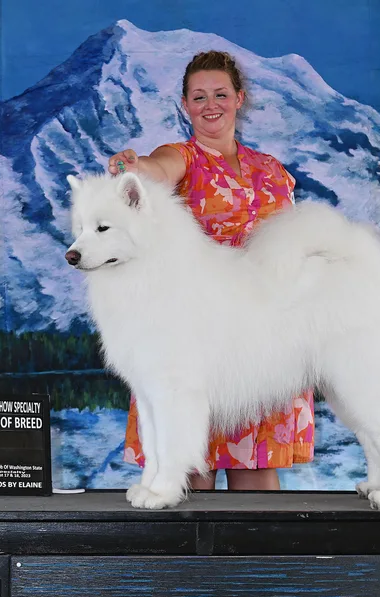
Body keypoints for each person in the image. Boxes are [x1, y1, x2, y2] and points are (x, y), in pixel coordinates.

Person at [109, 50, 315, 493]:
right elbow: (156, 171)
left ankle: (264, 565)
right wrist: (135, 167)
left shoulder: (272, 170)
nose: (210, 105)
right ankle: (190, 565)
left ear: (239, 98)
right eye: (198, 97)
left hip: (266, 336)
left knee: (258, 477)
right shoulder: (181, 156)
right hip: (196, 333)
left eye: (220, 94)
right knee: (190, 475)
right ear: (185, 105)